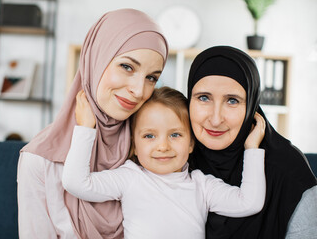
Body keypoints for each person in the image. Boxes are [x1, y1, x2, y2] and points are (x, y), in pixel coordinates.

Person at [17, 8, 168, 239]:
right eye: (127, 67)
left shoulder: (152, 148)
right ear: (96, 59)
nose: (138, 91)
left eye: (151, 78)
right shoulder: (40, 161)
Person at [62, 86, 266, 239]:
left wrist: (252, 148)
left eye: (175, 135)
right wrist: (86, 128)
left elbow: (249, 202)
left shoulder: (202, 185)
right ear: (134, 145)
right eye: (149, 136)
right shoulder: (130, 177)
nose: (163, 146)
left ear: (191, 144)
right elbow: (76, 182)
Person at [187, 45, 317, 239]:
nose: (215, 119)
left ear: (251, 107)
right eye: (203, 98)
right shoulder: (172, 157)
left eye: (232, 100)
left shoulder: (288, 170)